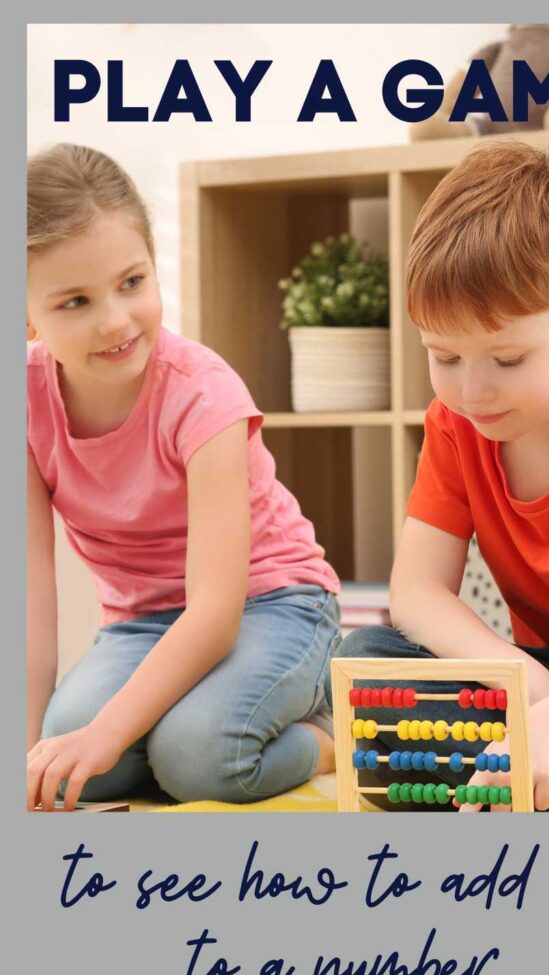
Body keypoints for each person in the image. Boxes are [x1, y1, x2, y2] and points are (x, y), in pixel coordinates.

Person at [328, 142, 549, 812]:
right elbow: (416, 594)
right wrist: (523, 685)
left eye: (506, 359)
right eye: (444, 356)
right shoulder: (454, 424)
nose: (472, 391)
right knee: (368, 657)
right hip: (539, 675)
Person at [27, 144, 341, 811]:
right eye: (75, 301)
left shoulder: (203, 396)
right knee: (64, 762)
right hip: (143, 622)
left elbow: (217, 611)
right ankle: (161, 730)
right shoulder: (23, 401)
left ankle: (328, 730)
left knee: (199, 760)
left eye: (131, 282)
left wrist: (113, 731)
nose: (115, 320)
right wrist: (23, 760)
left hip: (271, 604)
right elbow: (29, 603)